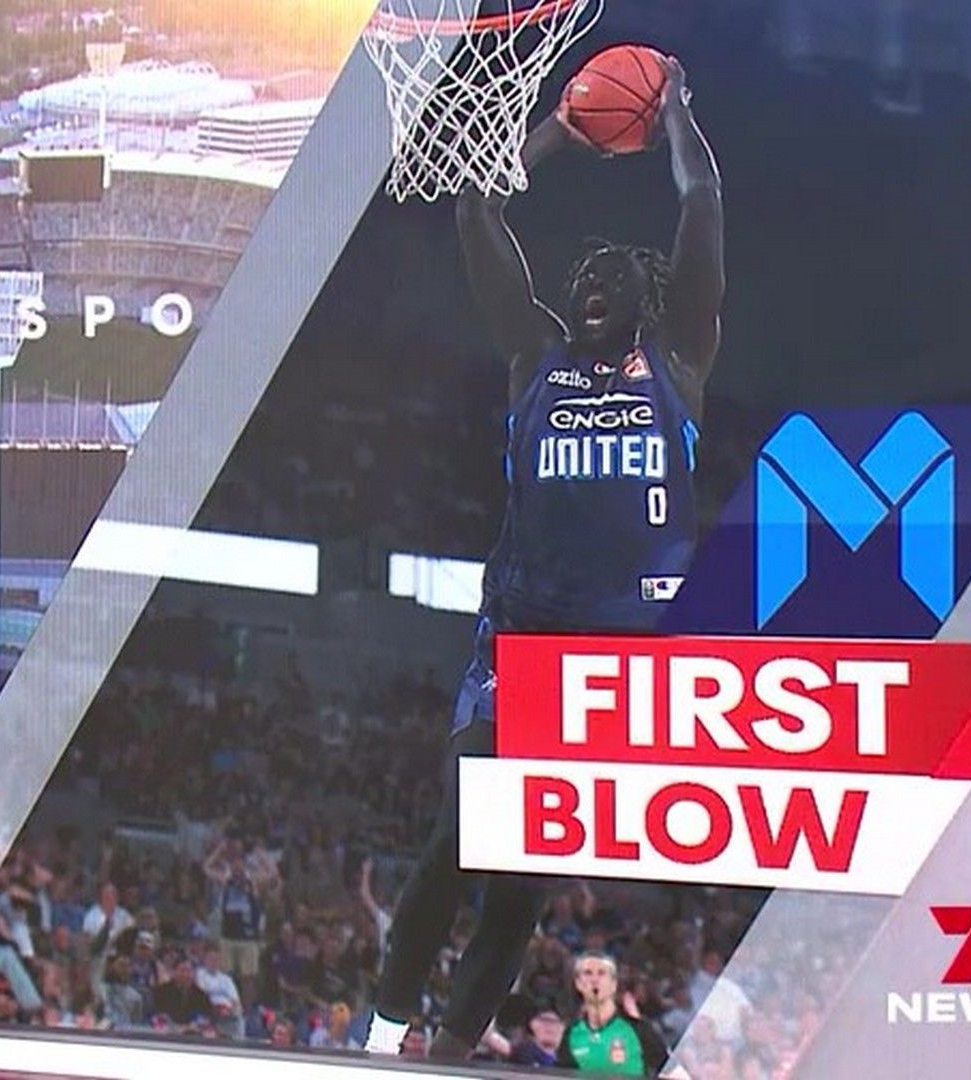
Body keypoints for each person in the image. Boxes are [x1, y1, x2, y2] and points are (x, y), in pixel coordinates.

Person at [365, 55, 723, 1060]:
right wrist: (563, 128)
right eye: (581, 276)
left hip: (614, 673)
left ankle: (447, 1053)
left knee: (518, 892)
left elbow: (703, 206)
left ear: (651, 292)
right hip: (518, 646)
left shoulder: (681, 363)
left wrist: (674, 112)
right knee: (460, 838)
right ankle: (380, 1032)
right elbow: (476, 209)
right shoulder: (537, 360)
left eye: (611, 274)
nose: (591, 283)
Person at [556, 954, 671, 1076]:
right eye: (588, 973)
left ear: (613, 984)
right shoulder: (572, 1034)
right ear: (578, 984)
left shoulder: (639, 1029)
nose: (594, 980)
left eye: (601, 973)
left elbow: (671, 1070)